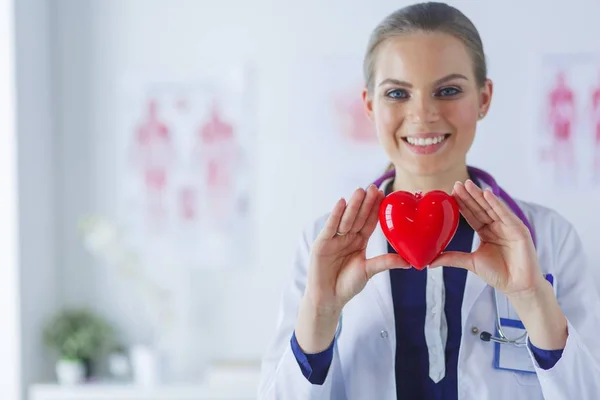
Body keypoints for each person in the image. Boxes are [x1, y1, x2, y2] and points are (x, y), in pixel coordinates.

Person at [257, 2, 600, 399]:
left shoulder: (550, 237)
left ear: (484, 98)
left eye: (448, 90)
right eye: (397, 93)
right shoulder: (320, 243)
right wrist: (319, 313)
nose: (422, 115)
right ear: (369, 105)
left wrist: (533, 302)